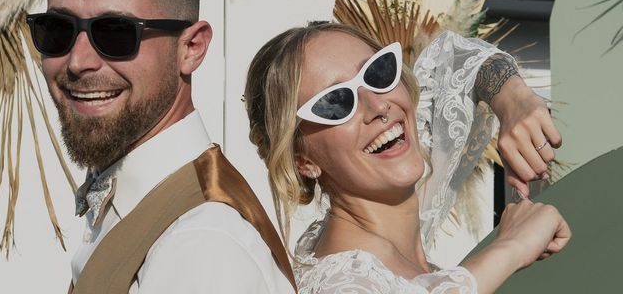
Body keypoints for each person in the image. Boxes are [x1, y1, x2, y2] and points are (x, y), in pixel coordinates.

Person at [27, 0, 296, 294]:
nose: (77, 62)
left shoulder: (202, 245)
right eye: (56, 30)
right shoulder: (146, 207)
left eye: (116, 34)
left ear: (191, 48)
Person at [244, 22, 571, 293]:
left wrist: (513, 101)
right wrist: (510, 248)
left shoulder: (398, 224)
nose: (378, 107)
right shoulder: (342, 283)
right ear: (303, 161)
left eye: (378, 72)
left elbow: (457, 61)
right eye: (335, 102)